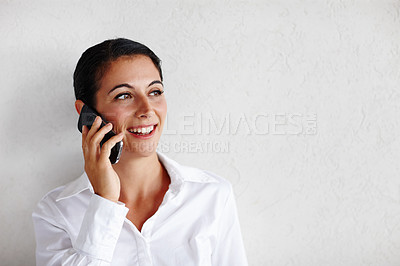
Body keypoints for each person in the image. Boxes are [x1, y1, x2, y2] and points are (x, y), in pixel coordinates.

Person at [32, 38, 248, 265]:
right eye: (124, 95)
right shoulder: (56, 212)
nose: (147, 109)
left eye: (155, 92)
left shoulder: (212, 195)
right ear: (86, 111)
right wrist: (104, 202)